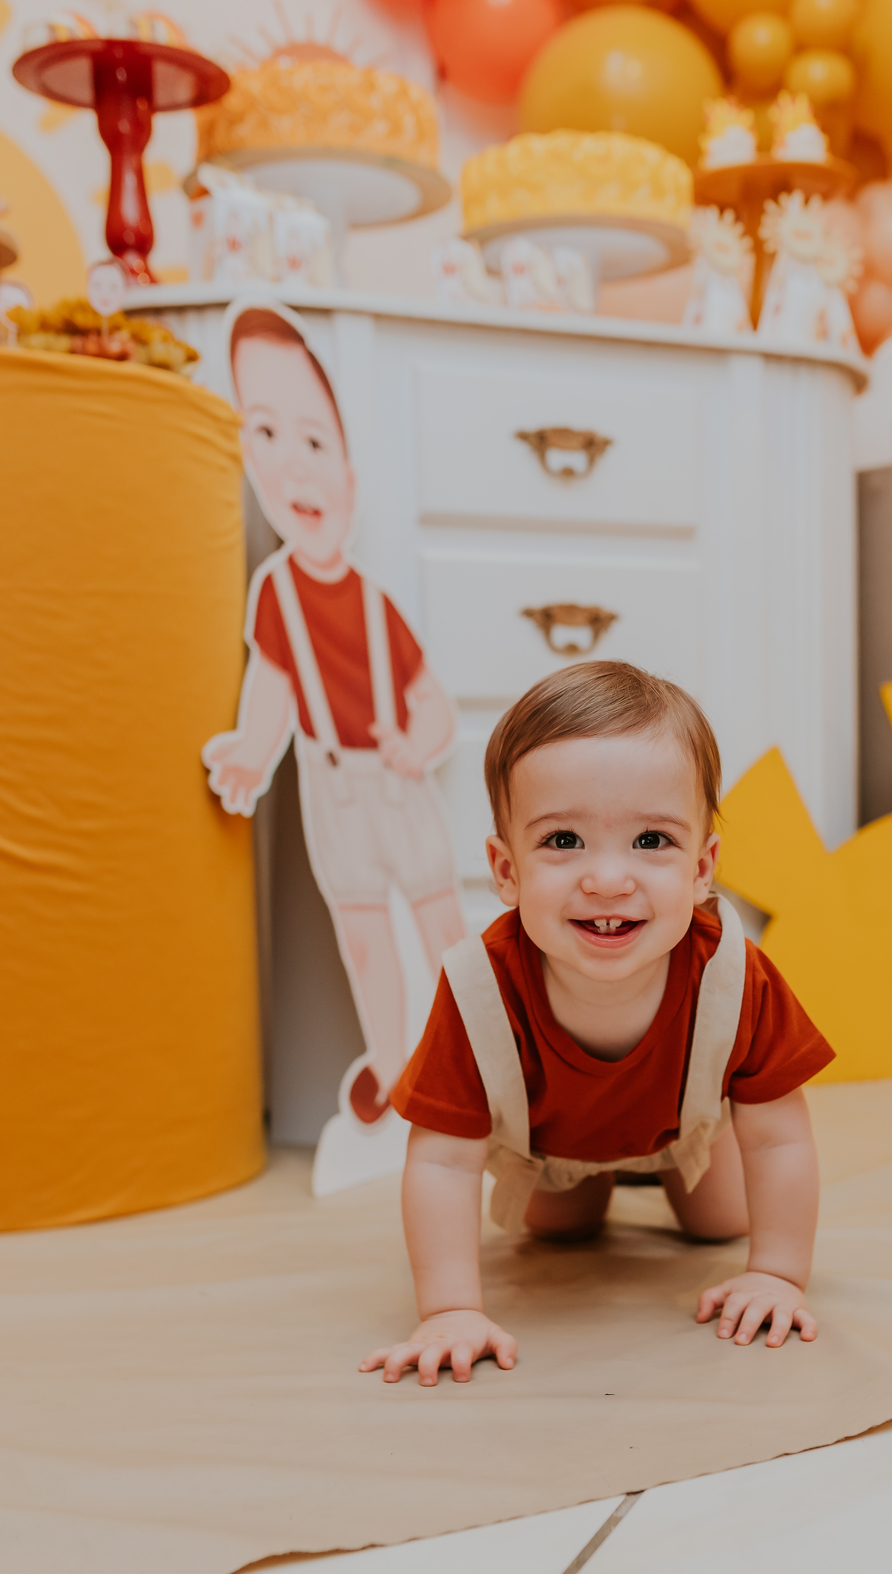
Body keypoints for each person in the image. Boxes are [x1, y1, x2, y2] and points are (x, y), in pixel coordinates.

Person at [360, 661, 834, 1388]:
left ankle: (676, 1177)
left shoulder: (735, 976)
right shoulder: (481, 986)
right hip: (551, 1148)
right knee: (559, 1232)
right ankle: (594, 1188)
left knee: (720, 1220)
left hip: (686, 1134)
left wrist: (777, 1274)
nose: (608, 879)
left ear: (704, 866)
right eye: (562, 841)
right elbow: (442, 1160)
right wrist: (449, 1309)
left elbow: (778, 1137)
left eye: (652, 842)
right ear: (506, 869)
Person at [202, 306, 465, 1126]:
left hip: (396, 779)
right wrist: (250, 749)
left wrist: (418, 743)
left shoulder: (377, 602)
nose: (297, 471)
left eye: (316, 444)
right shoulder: (275, 591)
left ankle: (480, 1044)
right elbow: (273, 688)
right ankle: (393, 1071)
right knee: (363, 937)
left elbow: (434, 704)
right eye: (268, 438)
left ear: (353, 477)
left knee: (440, 915)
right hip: (332, 787)